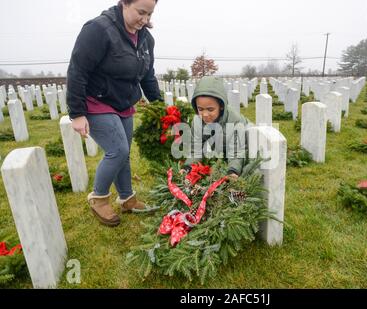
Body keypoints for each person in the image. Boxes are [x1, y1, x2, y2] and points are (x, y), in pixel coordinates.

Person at [66, 0, 161, 227]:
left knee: (124, 154)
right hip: (96, 101)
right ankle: (98, 198)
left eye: (149, 14)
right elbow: (77, 70)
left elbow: (147, 76)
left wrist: (160, 107)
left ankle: (127, 198)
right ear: (124, 4)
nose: (145, 20)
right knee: (117, 150)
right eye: (141, 12)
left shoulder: (146, 39)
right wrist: (77, 113)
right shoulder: (99, 29)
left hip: (123, 103)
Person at [180, 76, 249, 179]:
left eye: (210, 109)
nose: (205, 114)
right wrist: (187, 167)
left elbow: (236, 151)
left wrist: (233, 171)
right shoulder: (198, 121)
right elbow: (197, 149)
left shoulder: (235, 121)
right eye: (200, 109)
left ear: (221, 106)